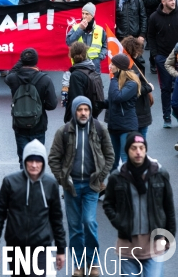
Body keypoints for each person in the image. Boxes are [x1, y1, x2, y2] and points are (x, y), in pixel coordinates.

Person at [48, 96, 114, 277]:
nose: (83, 113)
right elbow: (53, 159)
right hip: (72, 186)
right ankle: (79, 265)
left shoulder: (100, 129)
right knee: (75, 226)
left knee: (89, 222)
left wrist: (101, 176)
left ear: (90, 111)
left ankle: (93, 263)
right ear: (74, 111)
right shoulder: (63, 132)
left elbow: (110, 156)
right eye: (80, 109)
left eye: (86, 109)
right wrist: (62, 180)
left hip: (92, 186)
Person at [0, 139, 66, 277]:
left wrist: (61, 249)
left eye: (38, 161)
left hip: (40, 247)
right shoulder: (10, 182)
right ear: (24, 161)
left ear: (43, 162)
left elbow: (56, 218)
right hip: (15, 246)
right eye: (30, 161)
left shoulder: (50, 184)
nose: (34, 165)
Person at [103, 132, 176, 276]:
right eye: (134, 148)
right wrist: (119, 222)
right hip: (127, 246)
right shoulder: (117, 177)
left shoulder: (159, 174)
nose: (138, 152)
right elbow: (108, 203)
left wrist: (169, 237)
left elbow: (168, 207)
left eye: (141, 148)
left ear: (146, 150)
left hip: (154, 244)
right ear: (127, 151)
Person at [5, 48, 57, 168]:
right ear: (36, 61)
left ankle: (24, 185)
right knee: (37, 161)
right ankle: (36, 185)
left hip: (19, 125)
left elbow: (10, 73)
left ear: (22, 61)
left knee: (24, 161)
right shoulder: (45, 79)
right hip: (38, 125)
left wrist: (21, 61)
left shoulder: (13, 78)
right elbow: (52, 104)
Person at [102, 54, 140, 170]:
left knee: (125, 158)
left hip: (126, 126)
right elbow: (113, 101)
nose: (110, 66)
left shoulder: (131, 83)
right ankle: (115, 185)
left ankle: (128, 185)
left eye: (113, 64)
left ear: (119, 67)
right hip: (114, 125)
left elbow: (118, 97)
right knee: (112, 159)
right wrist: (98, 103)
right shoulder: (117, 81)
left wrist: (113, 79)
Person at [148, 0, 178, 128]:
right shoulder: (154, 17)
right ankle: (166, 116)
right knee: (166, 88)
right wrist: (155, 55)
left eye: (174, 0)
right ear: (163, 2)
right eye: (171, 0)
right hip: (163, 58)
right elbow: (151, 36)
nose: (174, 2)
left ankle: (175, 110)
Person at [121, 36, 154, 139]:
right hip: (139, 109)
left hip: (131, 110)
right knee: (141, 136)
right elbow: (135, 89)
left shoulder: (123, 65)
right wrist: (149, 88)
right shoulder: (133, 68)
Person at [66, 2, 106, 74]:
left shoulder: (100, 30)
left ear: (92, 15)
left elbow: (105, 46)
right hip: (79, 65)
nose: (84, 16)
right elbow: (69, 42)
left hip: (94, 66)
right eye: (83, 13)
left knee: (95, 85)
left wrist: (100, 57)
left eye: (87, 14)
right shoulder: (76, 28)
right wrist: (80, 29)